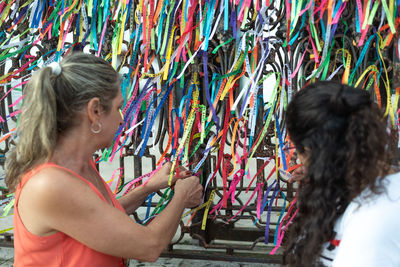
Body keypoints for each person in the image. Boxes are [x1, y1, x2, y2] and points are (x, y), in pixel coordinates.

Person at [5, 52, 203, 267]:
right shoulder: (50, 183)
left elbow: (101, 218)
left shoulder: (76, 163)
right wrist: (182, 196)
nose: (121, 119)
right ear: (95, 111)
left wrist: (148, 187)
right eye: (118, 108)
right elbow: (149, 246)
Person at [283, 81, 400, 267]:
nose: (297, 160)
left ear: (312, 152)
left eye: (298, 151)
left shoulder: (374, 220)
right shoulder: (355, 185)